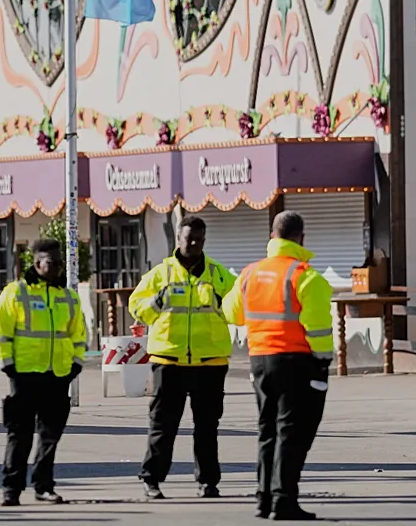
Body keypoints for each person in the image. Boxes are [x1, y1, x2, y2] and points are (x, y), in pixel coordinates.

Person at [221, 211, 335, 521]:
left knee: (267, 430)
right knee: (291, 432)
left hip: (259, 361)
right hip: (296, 361)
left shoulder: (250, 273)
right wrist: (324, 360)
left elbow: (232, 313)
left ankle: (264, 498)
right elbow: (318, 327)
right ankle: (284, 499)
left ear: (272, 236)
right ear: (301, 238)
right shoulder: (305, 276)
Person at [128, 215, 237, 500]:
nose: (194, 244)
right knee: (162, 426)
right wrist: (156, 302)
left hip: (210, 362)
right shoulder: (160, 274)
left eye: (199, 239)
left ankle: (208, 482)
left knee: (207, 428)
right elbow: (136, 306)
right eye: (189, 238)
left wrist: (221, 303)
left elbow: (240, 309)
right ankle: (151, 479)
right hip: (169, 360)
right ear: (178, 238)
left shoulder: (219, 275)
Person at [0, 237, 85, 507]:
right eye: (50, 263)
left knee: (50, 436)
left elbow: (78, 335)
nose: (56, 268)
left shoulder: (69, 297)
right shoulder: (15, 293)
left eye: (59, 263)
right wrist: (8, 365)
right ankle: (11, 489)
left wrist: (76, 365)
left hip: (58, 375)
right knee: (19, 435)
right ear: (36, 263)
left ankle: (44, 486)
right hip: (23, 375)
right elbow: (1, 333)